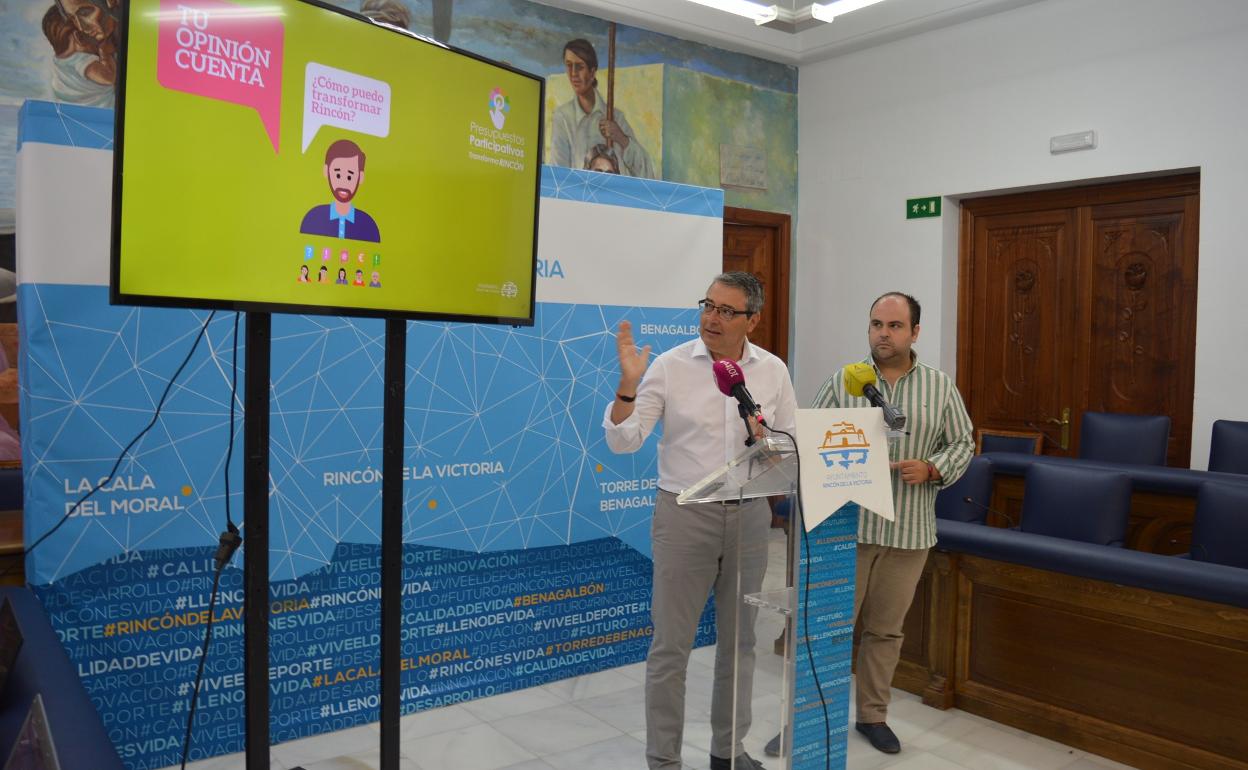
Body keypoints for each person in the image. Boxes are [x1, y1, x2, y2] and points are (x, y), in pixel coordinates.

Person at [604, 271, 796, 770]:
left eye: (726, 310)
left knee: (741, 644)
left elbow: (789, 445)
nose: (712, 317)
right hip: (685, 516)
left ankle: (728, 751)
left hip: (751, 516)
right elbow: (623, 441)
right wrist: (627, 389)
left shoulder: (772, 371)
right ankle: (663, 760)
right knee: (671, 648)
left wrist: (766, 440)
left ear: (752, 319)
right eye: (708, 305)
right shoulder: (669, 366)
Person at [801, 292, 973, 756]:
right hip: (850, 527)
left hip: (908, 530)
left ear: (915, 332)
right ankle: (814, 717)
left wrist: (934, 468)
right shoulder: (844, 380)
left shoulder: (939, 386)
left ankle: (872, 717)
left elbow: (963, 443)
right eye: (876, 323)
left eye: (894, 326)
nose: (883, 333)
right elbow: (811, 436)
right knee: (831, 628)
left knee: (885, 632)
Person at [552, 39, 656, 179]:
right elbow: (558, 173)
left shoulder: (615, 117)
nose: (573, 73)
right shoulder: (563, 117)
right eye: (569, 65)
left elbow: (646, 172)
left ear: (592, 72)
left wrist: (621, 138)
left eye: (580, 66)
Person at [299, 139, 382, 242]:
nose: (343, 183)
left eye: (349, 177)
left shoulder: (368, 225)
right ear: (326, 171)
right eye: (338, 175)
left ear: (360, 177)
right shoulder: (312, 218)